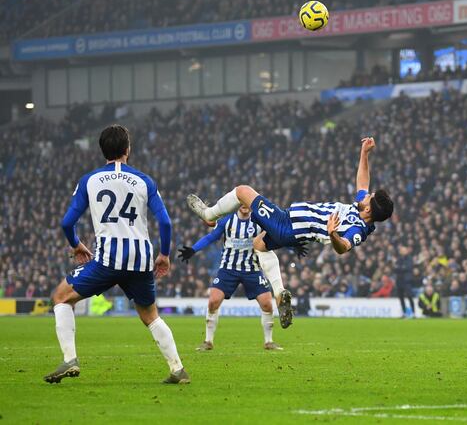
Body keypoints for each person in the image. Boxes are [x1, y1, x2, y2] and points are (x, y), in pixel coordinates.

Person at [46, 125, 189, 384]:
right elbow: (165, 223)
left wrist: (76, 244)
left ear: (103, 151)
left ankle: (70, 359)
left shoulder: (89, 180)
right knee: (150, 315)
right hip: (142, 258)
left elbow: (67, 222)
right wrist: (164, 255)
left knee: (61, 297)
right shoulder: (145, 180)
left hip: (108, 258)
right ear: (127, 150)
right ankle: (177, 369)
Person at [186, 137, 393, 257]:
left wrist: (333, 235)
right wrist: (364, 154)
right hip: (290, 229)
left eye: (369, 197)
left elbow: (344, 248)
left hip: (287, 225)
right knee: (258, 245)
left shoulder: (358, 230)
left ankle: (209, 214)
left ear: (368, 210)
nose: (367, 194)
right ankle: (279, 294)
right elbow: (363, 182)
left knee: (243, 191)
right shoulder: (360, 208)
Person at [178, 205, 292, 351]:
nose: (244, 206)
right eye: (241, 203)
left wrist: (293, 246)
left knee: (267, 304)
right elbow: (211, 237)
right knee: (213, 301)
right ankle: (208, 341)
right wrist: (193, 249)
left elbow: (277, 235)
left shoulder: (259, 222)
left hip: (252, 269)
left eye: (247, 204)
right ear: (238, 204)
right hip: (228, 269)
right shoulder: (227, 221)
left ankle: (269, 342)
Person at [394, 245, 416, 318]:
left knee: (409, 296)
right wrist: (401, 268)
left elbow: (408, 267)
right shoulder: (399, 259)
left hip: (406, 281)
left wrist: (400, 268)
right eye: (401, 250)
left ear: (406, 251)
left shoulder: (409, 258)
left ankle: (413, 313)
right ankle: (404, 313)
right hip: (399, 281)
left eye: (404, 250)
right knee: (401, 298)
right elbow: (395, 268)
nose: (402, 251)